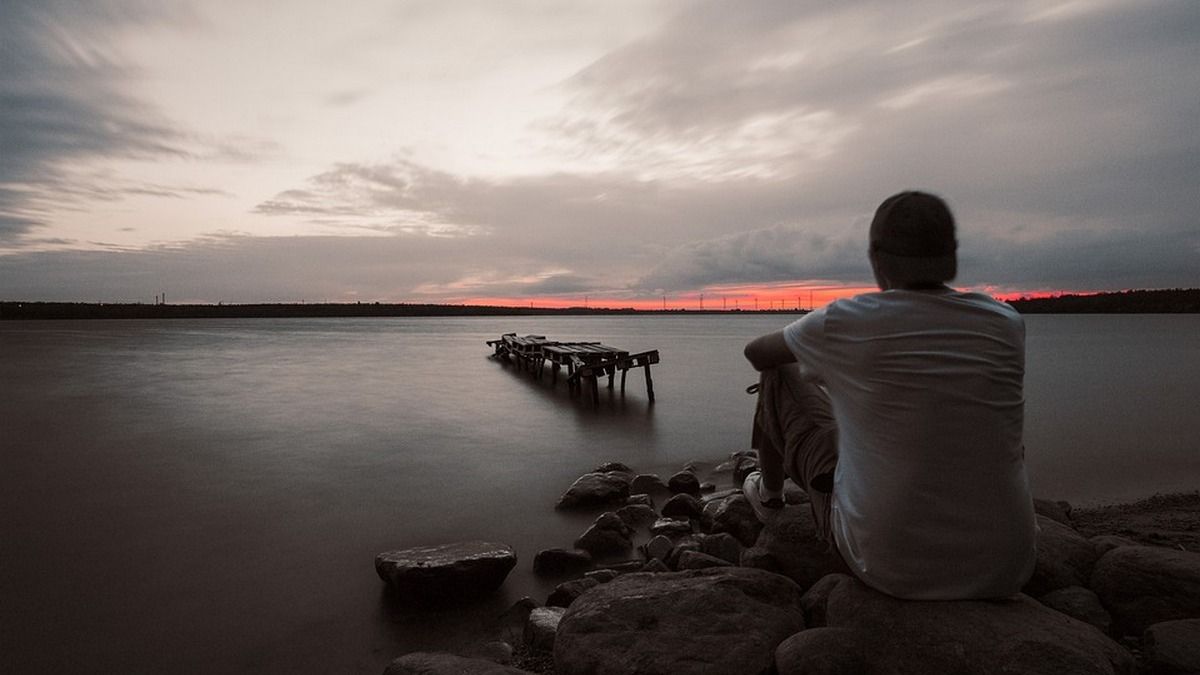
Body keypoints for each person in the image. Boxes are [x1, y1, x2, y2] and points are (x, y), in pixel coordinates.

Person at [741, 190, 1037, 600]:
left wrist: (833, 372)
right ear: (951, 254)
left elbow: (756, 353)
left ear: (877, 257)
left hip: (888, 564)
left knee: (778, 373)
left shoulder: (847, 321)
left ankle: (769, 497)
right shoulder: (1005, 322)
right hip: (1005, 567)